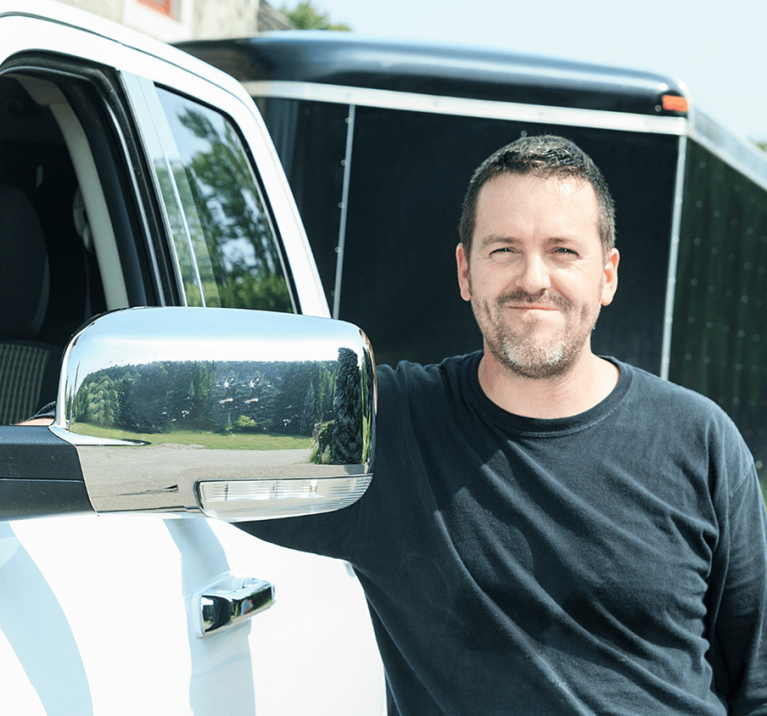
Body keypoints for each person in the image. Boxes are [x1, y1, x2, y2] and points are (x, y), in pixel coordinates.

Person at [238, 135, 767, 715]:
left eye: (563, 250)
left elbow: (756, 680)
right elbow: (200, 443)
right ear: (466, 271)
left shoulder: (701, 441)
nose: (533, 279)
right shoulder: (383, 429)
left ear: (607, 275)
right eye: (503, 250)